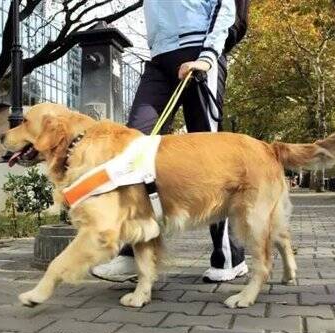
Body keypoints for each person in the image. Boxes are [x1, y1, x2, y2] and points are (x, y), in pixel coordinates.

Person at [91, 0, 250, 283]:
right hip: (160, 59)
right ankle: (133, 254)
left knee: (211, 162)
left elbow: (225, 6)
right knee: (133, 151)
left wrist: (208, 55)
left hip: (200, 54)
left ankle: (229, 256)